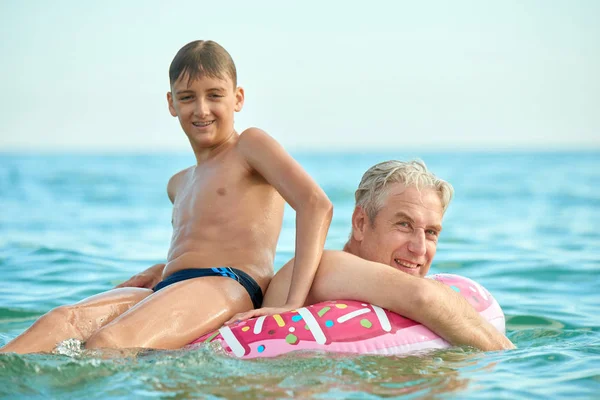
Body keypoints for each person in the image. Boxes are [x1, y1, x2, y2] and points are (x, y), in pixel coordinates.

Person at [0, 40, 333, 354]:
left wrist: (292, 302)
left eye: (214, 95)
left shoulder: (249, 146)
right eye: (187, 97)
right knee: (61, 320)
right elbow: (208, 236)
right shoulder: (179, 183)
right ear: (171, 103)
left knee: (110, 341)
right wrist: (163, 268)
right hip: (171, 286)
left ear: (238, 98)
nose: (202, 109)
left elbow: (315, 204)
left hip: (227, 283)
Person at [228, 160, 515, 350]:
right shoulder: (325, 266)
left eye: (431, 233)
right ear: (361, 223)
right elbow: (423, 297)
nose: (419, 247)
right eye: (404, 225)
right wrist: (508, 362)